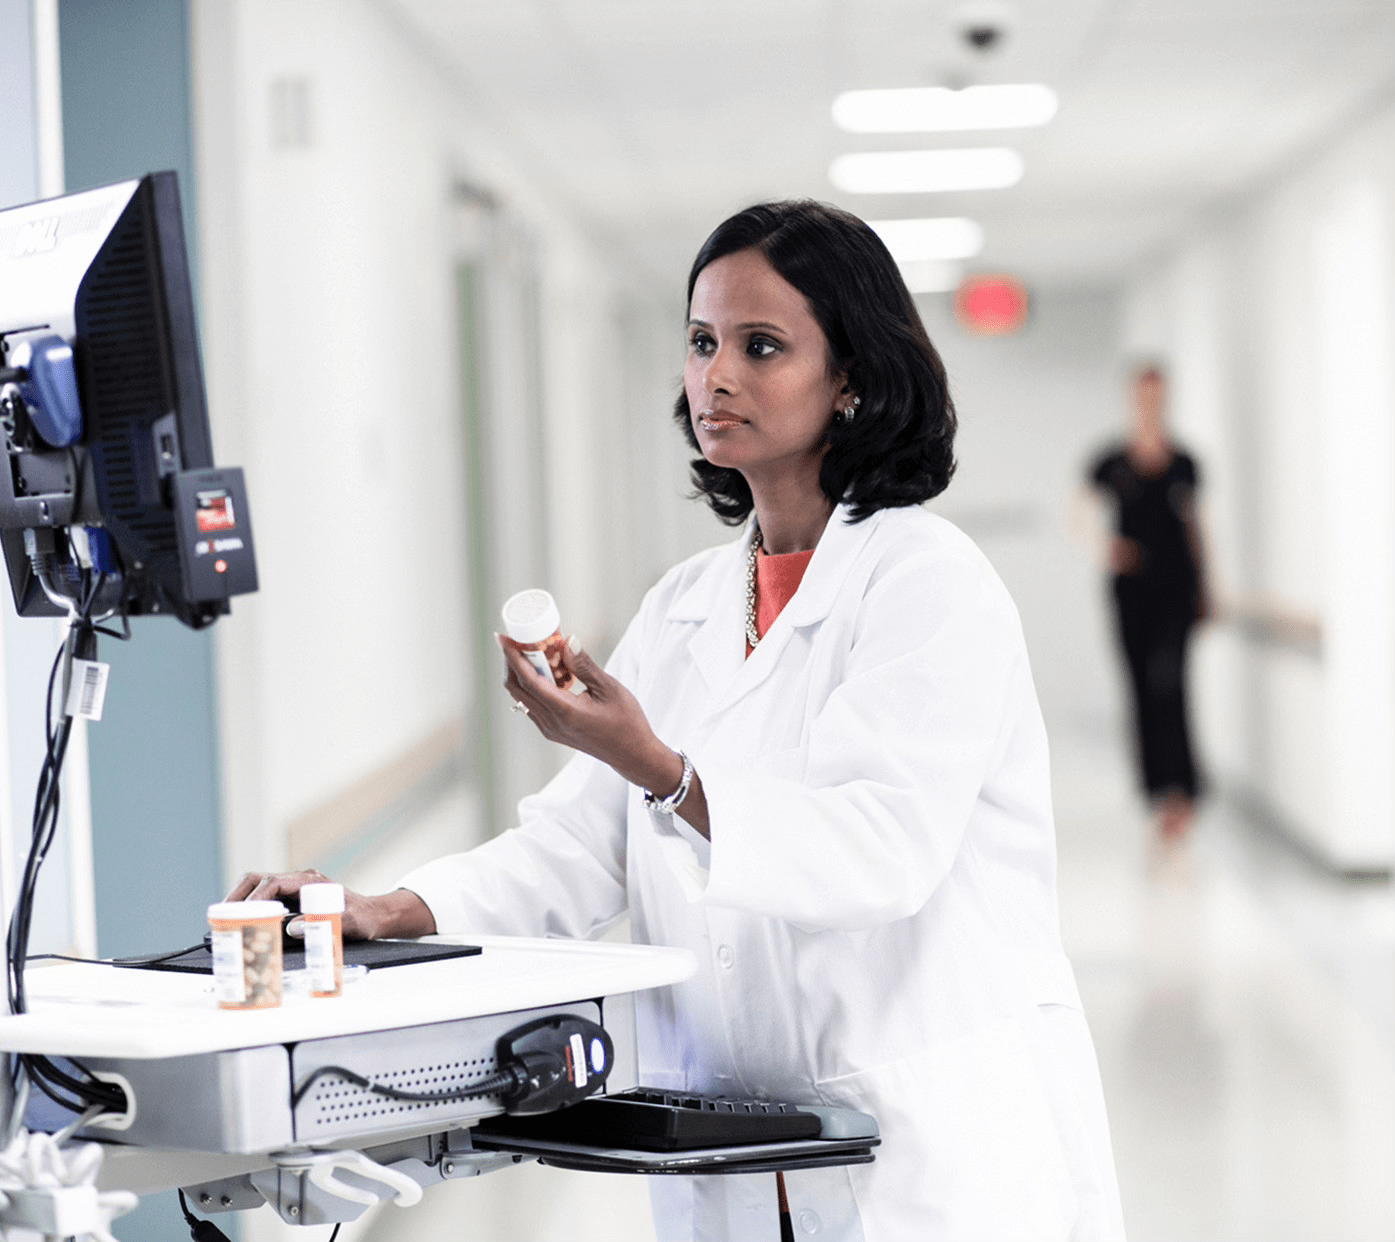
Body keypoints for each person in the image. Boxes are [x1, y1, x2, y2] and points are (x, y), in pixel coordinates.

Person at [232, 200, 1125, 1241]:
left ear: (851, 378)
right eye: (702, 343)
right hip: (744, 1164)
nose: (718, 377)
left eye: (762, 346)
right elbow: (575, 851)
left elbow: (880, 854)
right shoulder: (687, 603)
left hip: (929, 1156)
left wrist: (658, 766)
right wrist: (391, 907)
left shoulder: (929, 585)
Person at [1086, 364, 1209, 838]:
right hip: (1131, 591)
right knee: (1140, 684)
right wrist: (1103, 547)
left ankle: (1182, 789)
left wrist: (1206, 588)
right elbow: (1076, 512)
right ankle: (1156, 791)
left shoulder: (1184, 463)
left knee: (1171, 681)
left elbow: (1197, 529)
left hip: (1175, 587)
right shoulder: (1112, 462)